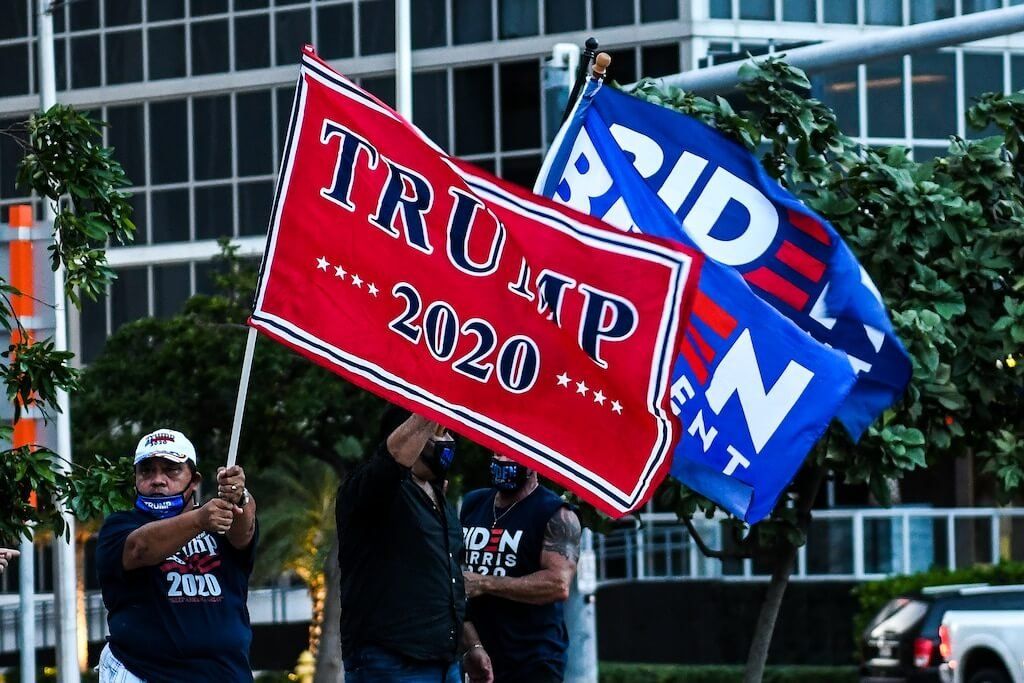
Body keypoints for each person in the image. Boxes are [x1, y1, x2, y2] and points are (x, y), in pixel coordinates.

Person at [335, 404, 493, 682]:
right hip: (390, 663)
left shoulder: (440, 499)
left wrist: (473, 646)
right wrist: (434, 401)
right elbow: (390, 460)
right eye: (441, 431)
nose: (450, 442)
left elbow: (449, 582)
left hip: (446, 664)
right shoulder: (373, 488)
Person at [95, 428, 258, 683]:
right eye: (146, 471)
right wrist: (199, 520)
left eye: (171, 469)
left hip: (226, 674)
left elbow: (244, 530)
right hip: (143, 672)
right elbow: (140, 548)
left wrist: (239, 496)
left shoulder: (219, 520)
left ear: (194, 480)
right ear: (135, 479)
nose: (158, 480)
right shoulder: (119, 526)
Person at [461, 454, 582, 683]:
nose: (502, 458)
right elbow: (457, 581)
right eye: (497, 451)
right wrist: (472, 645)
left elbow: (558, 585)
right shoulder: (473, 503)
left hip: (534, 660)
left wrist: (486, 582)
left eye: (511, 453)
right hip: (481, 655)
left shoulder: (557, 513)